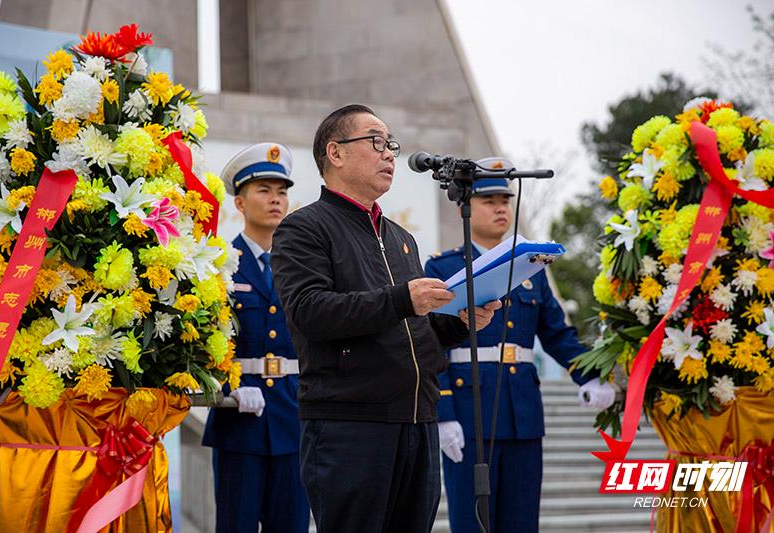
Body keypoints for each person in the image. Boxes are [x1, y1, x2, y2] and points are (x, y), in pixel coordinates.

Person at [270, 104, 500, 533]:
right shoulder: (304, 229)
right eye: (376, 142)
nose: (390, 154)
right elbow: (310, 311)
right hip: (350, 427)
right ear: (335, 153)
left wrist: (460, 322)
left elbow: (412, 325)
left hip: (417, 420)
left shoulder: (401, 238)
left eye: (391, 144)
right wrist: (401, 299)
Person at [424, 157, 616, 533]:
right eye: (489, 199)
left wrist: (589, 377)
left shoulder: (531, 269)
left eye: (505, 200)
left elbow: (557, 334)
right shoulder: (443, 269)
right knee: (473, 523)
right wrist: (443, 412)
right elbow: (432, 343)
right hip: (469, 412)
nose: (500, 207)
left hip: (522, 413)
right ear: (467, 204)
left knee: (522, 522)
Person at [202, 142, 310, 533]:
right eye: (263, 191)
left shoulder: (304, 267)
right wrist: (229, 383)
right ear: (240, 203)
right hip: (238, 418)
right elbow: (202, 339)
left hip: (294, 416)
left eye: (282, 192)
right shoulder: (216, 264)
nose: (276, 200)